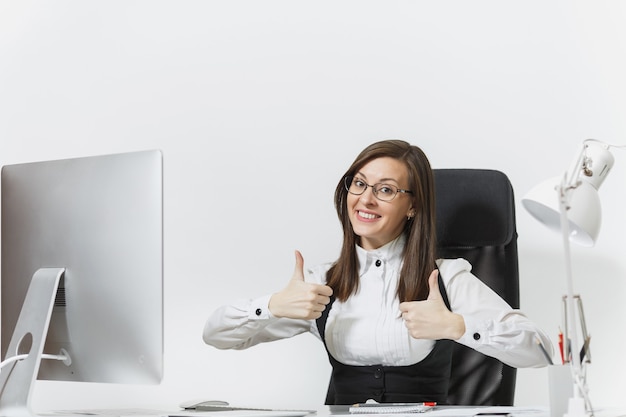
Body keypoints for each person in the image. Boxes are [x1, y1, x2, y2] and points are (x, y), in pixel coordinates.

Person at [203, 139, 553, 405]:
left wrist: (456, 326)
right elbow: (215, 335)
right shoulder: (322, 283)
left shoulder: (444, 280)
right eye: (359, 184)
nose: (366, 200)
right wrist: (273, 305)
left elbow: (541, 350)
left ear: (413, 206)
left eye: (385, 189)